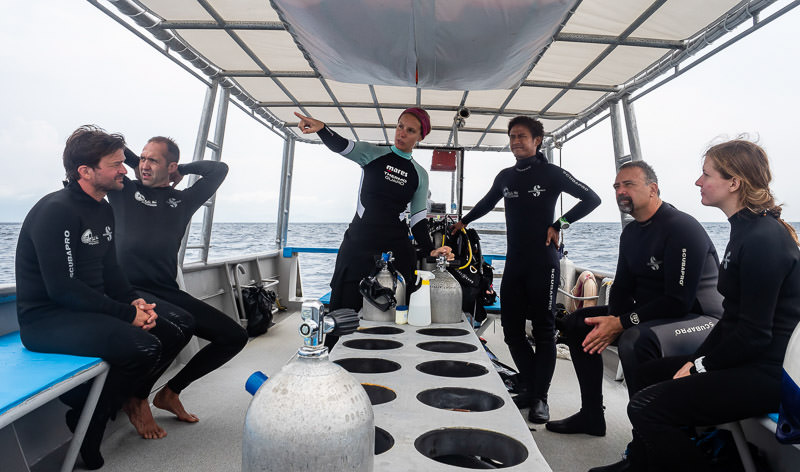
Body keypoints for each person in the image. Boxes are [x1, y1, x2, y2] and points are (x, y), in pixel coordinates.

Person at [15, 126, 193, 469]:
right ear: (86, 171)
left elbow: (112, 274)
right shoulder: (57, 210)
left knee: (169, 333)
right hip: (47, 319)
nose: (124, 169)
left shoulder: (103, 208)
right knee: (144, 346)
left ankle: (88, 408)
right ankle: (89, 420)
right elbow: (62, 288)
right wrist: (126, 316)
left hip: (87, 311)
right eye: (115, 164)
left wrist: (135, 303)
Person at [621, 140, 800, 471]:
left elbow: (754, 334)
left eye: (706, 174)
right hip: (748, 360)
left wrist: (701, 367)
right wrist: (696, 360)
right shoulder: (744, 232)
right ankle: (644, 463)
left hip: (769, 372)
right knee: (647, 374)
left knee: (647, 408)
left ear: (734, 183)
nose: (698, 182)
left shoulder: (764, 239)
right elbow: (731, 319)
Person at [547, 161, 723, 453]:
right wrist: (614, 317)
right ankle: (592, 415)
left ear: (653, 189)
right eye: (616, 186)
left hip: (700, 318)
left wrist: (623, 322)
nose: (620, 191)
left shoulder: (681, 227)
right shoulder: (631, 233)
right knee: (579, 323)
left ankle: (644, 442)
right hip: (656, 314)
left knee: (634, 339)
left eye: (628, 184)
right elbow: (622, 288)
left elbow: (678, 300)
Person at [451, 116, 601, 423]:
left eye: (522, 136)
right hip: (515, 263)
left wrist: (560, 224)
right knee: (511, 331)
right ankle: (533, 388)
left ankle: (539, 398)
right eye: (512, 136)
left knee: (544, 332)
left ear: (537, 141)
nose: (516, 141)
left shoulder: (552, 173)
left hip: (543, 263)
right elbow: (486, 201)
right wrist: (464, 221)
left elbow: (592, 198)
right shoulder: (506, 176)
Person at [107, 136, 247, 434]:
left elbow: (218, 169)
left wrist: (179, 169)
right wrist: (140, 163)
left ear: (169, 166)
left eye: (152, 160)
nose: (143, 164)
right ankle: (137, 398)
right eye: (141, 158)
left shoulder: (182, 201)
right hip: (128, 290)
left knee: (234, 337)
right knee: (180, 326)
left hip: (165, 290)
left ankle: (169, 393)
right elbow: (112, 140)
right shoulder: (124, 189)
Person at [293, 109, 452, 339]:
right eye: (400, 126)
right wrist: (322, 130)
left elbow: (417, 220)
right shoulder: (372, 153)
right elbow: (344, 146)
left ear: (420, 137)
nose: (402, 133)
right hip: (359, 243)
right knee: (342, 312)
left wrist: (430, 249)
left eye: (410, 130)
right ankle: (335, 360)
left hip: (395, 248)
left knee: (395, 312)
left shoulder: (419, 174)